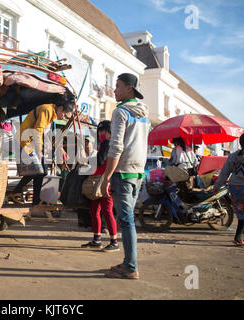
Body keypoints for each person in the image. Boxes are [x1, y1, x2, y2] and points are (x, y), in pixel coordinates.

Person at [100, 73, 150, 280]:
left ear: (129, 88)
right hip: (138, 171)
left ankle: (131, 266)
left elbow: (116, 147)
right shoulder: (144, 112)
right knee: (127, 219)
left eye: (118, 86)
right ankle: (128, 262)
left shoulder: (120, 111)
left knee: (127, 220)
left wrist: (106, 177)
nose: (114, 90)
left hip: (123, 172)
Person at [10, 96, 74, 208]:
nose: (63, 117)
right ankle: (16, 192)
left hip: (30, 143)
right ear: (60, 108)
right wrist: (39, 150)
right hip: (25, 142)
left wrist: (60, 149)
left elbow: (44, 133)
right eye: (64, 114)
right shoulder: (47, 110)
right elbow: (37, 130)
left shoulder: (50, 114)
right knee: (38, 172)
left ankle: (36, 201)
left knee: (41, 172)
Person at [81, 120, 120, 252]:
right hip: (100, 182)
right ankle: (97, 239)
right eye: (99, 132)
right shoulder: (111, 143)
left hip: (103, 182)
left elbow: (99, 160)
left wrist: (88, 162)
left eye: (101, 131)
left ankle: (114, 241)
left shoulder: (108, 143)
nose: (100, 134)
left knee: (107, 211)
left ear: (108, 131)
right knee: (94, 210)